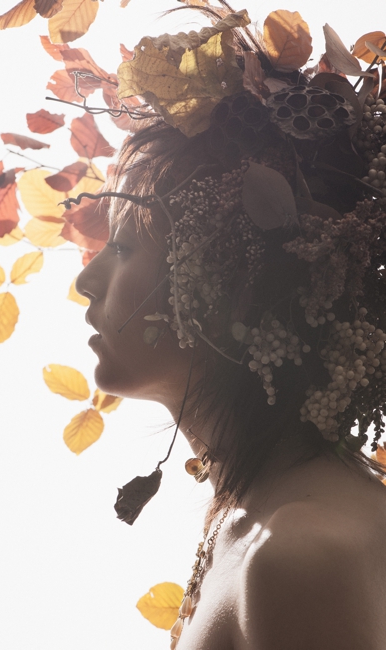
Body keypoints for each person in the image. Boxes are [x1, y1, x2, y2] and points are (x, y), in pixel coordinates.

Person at [75, 6, 386, 649]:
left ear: (227, 283)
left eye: (124, 247)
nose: (85, 280)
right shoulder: (257, 515)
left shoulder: (299, 552)